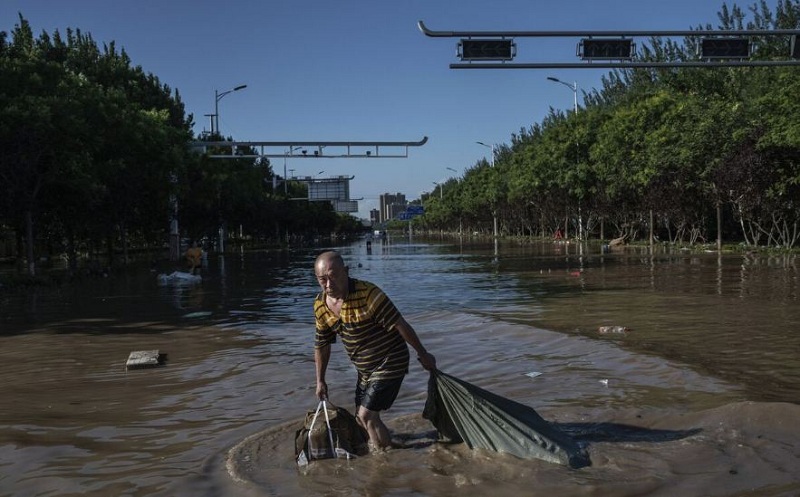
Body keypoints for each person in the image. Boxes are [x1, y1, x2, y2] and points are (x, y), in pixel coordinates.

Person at [313, 250, 436, 451]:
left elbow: (400, 324)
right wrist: (320, 380)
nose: (328, 285)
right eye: (322, 280)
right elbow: (322, 344)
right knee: (360, 420)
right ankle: (393, 448)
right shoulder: (320, 305)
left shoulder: (368, 294)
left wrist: (423, 354)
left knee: (366, 416)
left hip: (391, 360)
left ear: (346, 272)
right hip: (365, 369)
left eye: (333, 277)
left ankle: (382, 460)